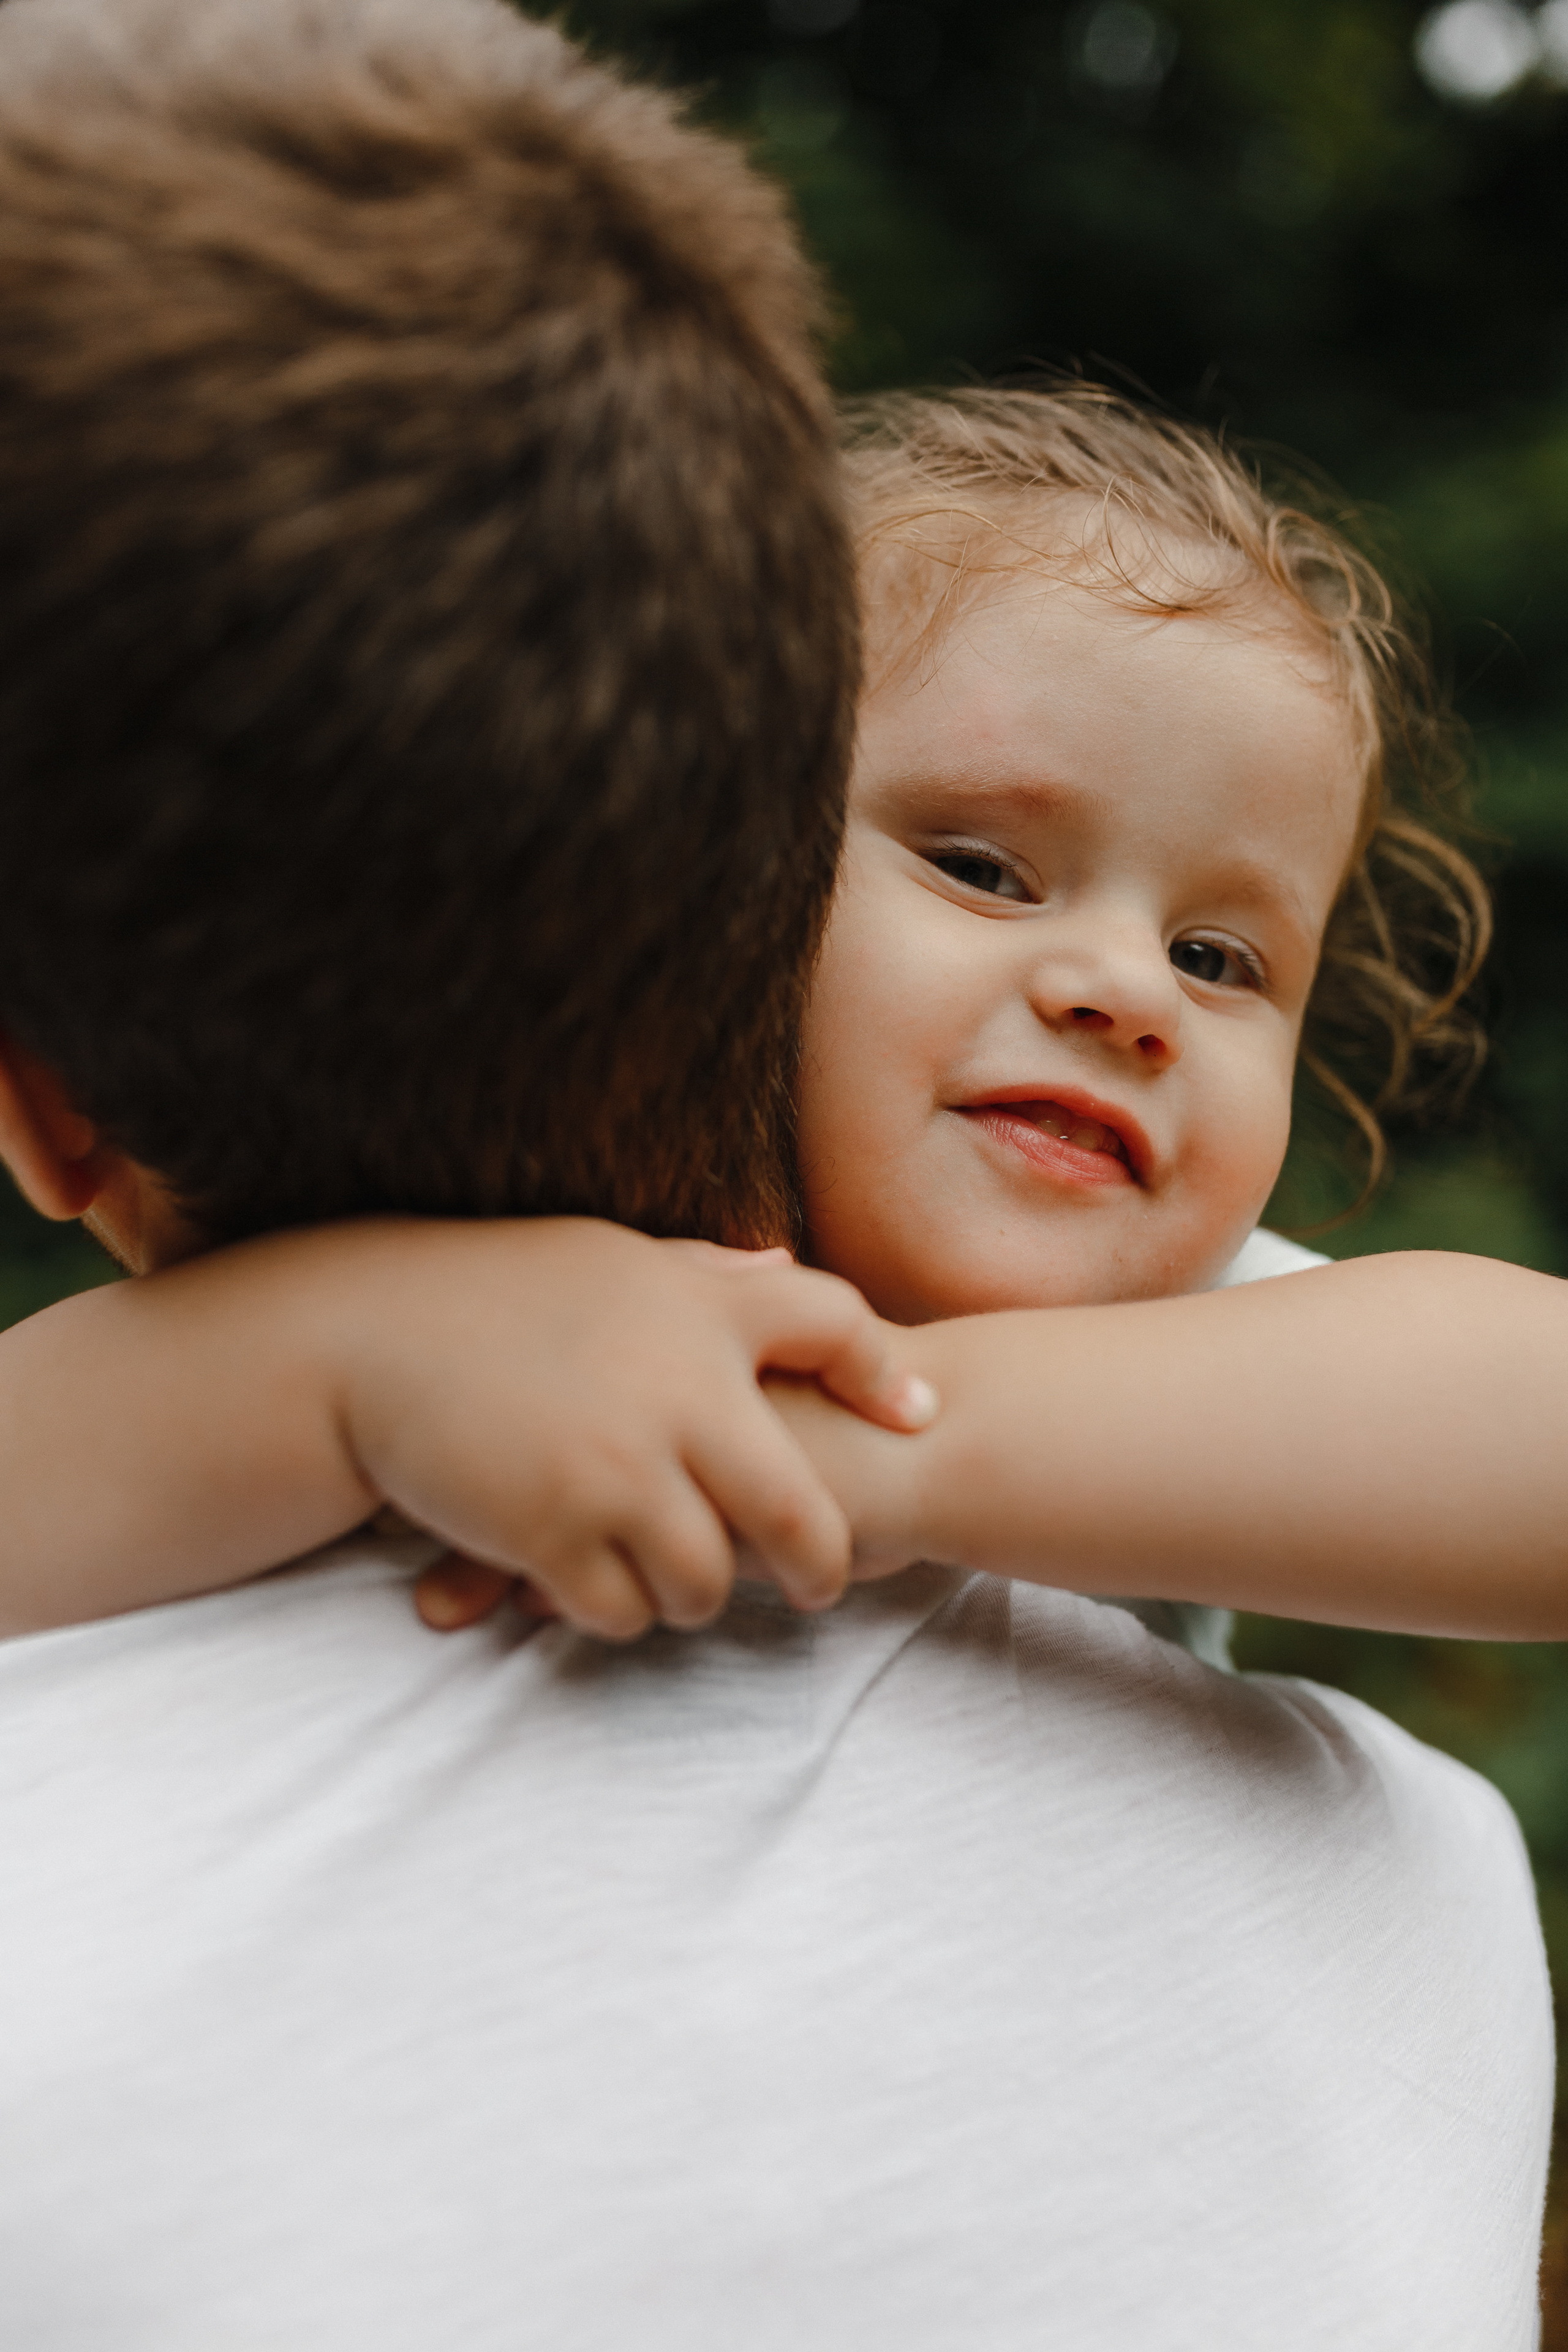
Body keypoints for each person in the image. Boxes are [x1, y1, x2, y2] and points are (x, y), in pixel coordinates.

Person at [0, 51, 1551, 2315]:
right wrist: (365, 1366)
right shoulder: (489, 1289)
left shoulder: (1149, 1349)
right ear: (716, 871)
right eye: (980, 862)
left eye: (1228, 955)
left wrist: (871, 1452)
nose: (1123, 987)